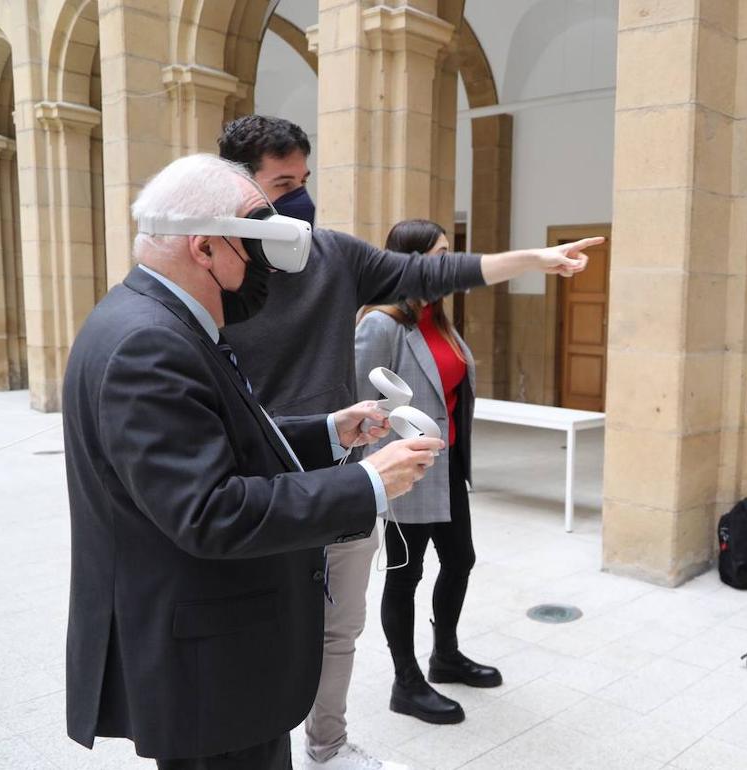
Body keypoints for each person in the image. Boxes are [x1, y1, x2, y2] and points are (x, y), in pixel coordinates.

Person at [216, 115, 601, 770]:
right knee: (259, 632)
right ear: (237, 186)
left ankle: (328, 745)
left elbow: (436, 272)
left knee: (339, 631)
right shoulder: (216, 264)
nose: (299, 199)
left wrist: (534, 259)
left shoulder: (334, 254)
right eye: (283, 183)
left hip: (340, 477)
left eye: (304, 180)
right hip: (260, 480)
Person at [63, 153, 445, 770]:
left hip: (209, 655)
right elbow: (211, 511)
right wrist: (369, 482)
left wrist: (328, 431)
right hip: (207, 662)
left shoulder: (155, 320)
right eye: (253, 245)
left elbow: (217, 441)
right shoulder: (150, 343)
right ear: (206, 247)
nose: (265, 269)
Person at [354, 220, 493, 726]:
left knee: (460, 559)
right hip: (405, 469)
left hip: (448, 464)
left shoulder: (441, 319)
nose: (447, 264)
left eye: (448, 253)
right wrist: (387, 466)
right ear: (409, 262)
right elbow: (363, 406)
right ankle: (406, 682)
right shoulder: (382, 323)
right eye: (437, 255)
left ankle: (445, 656)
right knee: (405, 573)